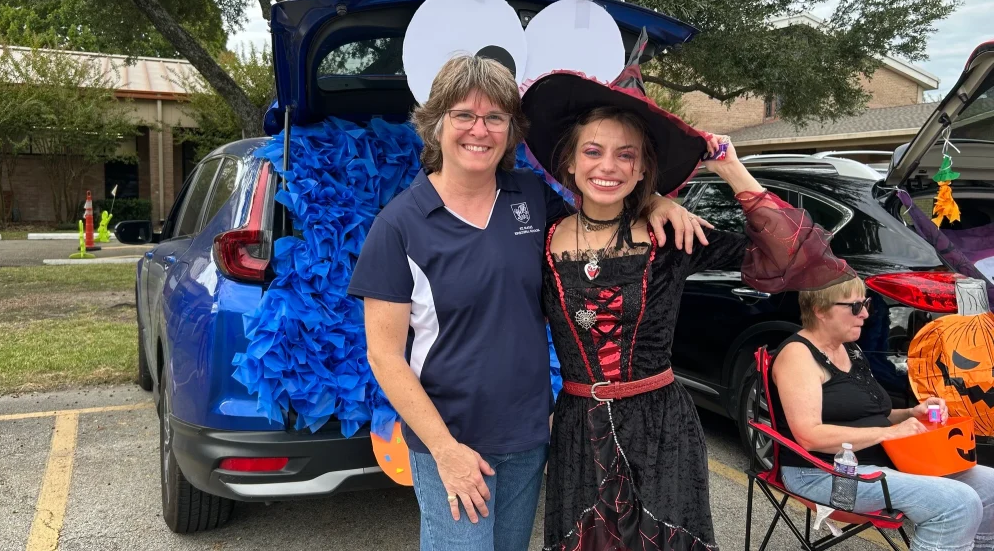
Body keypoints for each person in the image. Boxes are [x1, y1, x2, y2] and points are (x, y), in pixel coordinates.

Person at [346, 55, 707, 551]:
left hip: (528, 435)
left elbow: (599, 216)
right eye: (464, 115)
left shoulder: (532, 197)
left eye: (495, 117)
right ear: (436, 124)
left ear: (511, 130)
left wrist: (656, 201)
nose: (480, 130)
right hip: (453, 438)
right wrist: (444, 450)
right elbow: (383, 355)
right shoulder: (400, 225)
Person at [521, 68, 855, 549]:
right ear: (569, 163)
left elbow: (795, 259)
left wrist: (731, 169)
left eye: (626, 155)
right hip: (578, 428)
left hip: (661, 427)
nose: (607, 166)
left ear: (641, 169)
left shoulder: (671, 237)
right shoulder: (544, 237)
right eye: (592, 152)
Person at [772, 278, 994, 551]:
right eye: (855, 306)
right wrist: (889, 433)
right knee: (958, 504)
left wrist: (912, 413)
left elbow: (875, 415)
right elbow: (809, 436)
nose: (866, 313)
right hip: (824, 474)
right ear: (820, 309)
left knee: (991, 486)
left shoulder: (849, 348)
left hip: (884, 461)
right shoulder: (798, 356)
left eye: (864, 304)